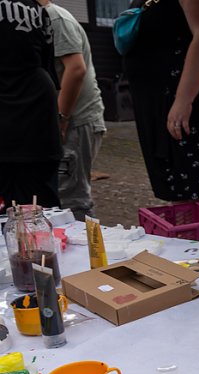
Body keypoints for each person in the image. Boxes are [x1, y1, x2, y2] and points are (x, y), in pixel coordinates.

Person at [124, 0, 199, 212]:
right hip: (164, 98)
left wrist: (183, 100)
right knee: (182, 194)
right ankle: (191, 243)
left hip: (198, 100)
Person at [39, 0, 106, 221]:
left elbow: (76, 69)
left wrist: (60, 119)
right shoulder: (35, 18)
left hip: (76, 122)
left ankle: (88, 251)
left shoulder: (54, 18)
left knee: (72, 199)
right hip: (67, 120)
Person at [0, 0, 62, 211]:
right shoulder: (36, 8)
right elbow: (47, 62)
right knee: (41, 209)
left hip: (13, 111)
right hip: (39, 108)